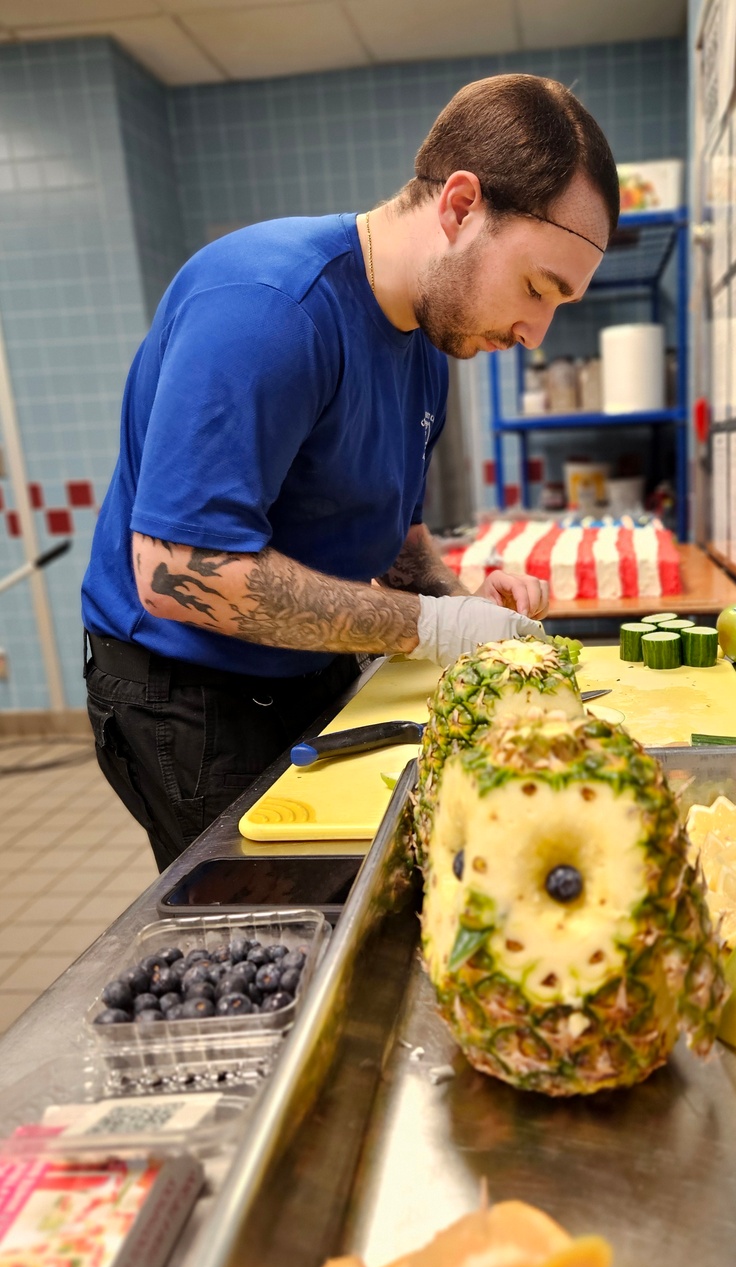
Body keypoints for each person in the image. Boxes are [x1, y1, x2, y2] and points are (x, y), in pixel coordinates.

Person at [81, 73, 620, 872]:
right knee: (275, 920)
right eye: (537, 287)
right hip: (188, 694)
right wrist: (429, 628)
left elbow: (396, 540)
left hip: (305, 668)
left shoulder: (427, 346)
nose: (536, 332)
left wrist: (461, 603)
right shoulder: (269, 309)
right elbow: (177, 571)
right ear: (462, 206)